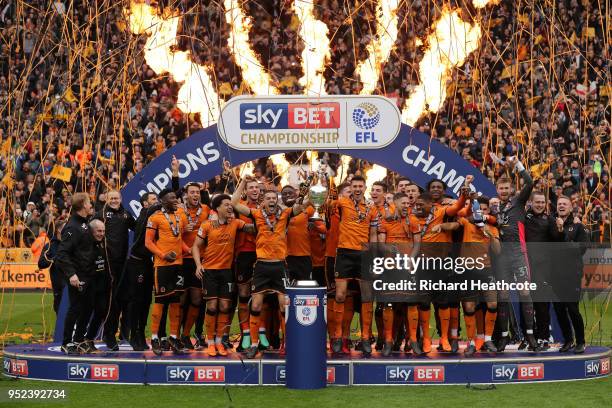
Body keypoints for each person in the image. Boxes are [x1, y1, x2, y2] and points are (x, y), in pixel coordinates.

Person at [231, 176, 308, 359]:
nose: (272, 201)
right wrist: (242, 182)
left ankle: (287, 343)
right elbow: (234, 203)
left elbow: (303, 205)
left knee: (283, 306)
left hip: (280, 265)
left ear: (277, 200)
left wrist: (304, 191)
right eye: (268, 199)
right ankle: (254, 344)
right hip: (262, 266)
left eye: (274, 198)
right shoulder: (256, 214)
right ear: (263, 201)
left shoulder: (286, 214)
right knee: (256, 305)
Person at [192, 194, 255, 356]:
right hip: (210, 272)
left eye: (230, 205)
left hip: (226, 272)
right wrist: (199, 265)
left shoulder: (235, 223)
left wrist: (263, 220)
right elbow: (196, 247)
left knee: (225, 307)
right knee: (212, 307)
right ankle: (211, 342)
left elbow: (252, 229)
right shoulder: (206, 225)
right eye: (226, 204)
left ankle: (220, 342)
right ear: (217, 208)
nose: (229, 207)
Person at [412, 187, 467, 353]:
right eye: (417, 204)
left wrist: (464, 194)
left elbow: (458, 207)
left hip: (441, 264)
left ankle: (444, 337)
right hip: (421, 265)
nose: (418, 207)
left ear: (431, 204)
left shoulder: (441, 211)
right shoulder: (412, 217)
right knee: (423, 302)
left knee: (443, 302)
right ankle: (427, 338)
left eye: (421, 205)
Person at [330, 175, 380, 356]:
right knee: (341, 295)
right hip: (344, 253)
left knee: (366, 296)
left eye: (360, 186)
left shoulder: (372, 208)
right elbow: (326, 207)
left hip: (364, 254)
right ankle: (337, 337)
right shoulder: (342, 203)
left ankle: (366, 338)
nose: (357, 189)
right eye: (354, 186)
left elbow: (373, 234)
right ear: (350, 188)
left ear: (365, 188)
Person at [494, 156, 539, 352]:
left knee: (524, 293)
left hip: (519, 254)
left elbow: (529, 182)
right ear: (497, 190)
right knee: (503, 295)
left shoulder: (518, 201)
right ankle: (504, 337)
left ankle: (530, 335)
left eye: (506, 188)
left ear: (512, 190)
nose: (503, 191)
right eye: (500, 188)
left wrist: (518, 165)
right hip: (502, 257)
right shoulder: (495, 208)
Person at [453, 196, 501, 355]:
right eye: (477, 210)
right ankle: (472, 342)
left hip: (486, 270)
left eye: (484, 210)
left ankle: (488, 339)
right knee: (469, 307)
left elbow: (497, 251)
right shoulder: (466, 223)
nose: (480, 213)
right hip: (467, 271)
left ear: (488, 212)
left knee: (493, 304)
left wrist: (487, 232)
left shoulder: (492, 228)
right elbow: (456, 219)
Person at [145, 188, 189, 355]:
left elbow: (179, 238)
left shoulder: (180, 216)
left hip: (178, 264)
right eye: (172, 198)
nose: (175, 199)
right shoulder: (154, 217)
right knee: (161, 301)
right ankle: (155, 337)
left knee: (176, 300)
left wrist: (188, 250)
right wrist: (164, 255)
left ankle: (173, 336)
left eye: (175, 197)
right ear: (163, 201)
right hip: (162, 265)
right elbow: (148, 242)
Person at [377, 192, 422, 356]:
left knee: (411, 303)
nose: (406, 205)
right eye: (403, 203)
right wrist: (390, 249)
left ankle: (414, 340)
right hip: (390, 267)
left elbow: (417, 244)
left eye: (408, 203)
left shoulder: (413, 220)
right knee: (388, 304)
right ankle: (388, 341)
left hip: (408, 267)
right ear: (395, 203)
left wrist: (410, 260)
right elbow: (380, 245)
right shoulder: (385, 221)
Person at [94, 190, 135, 351]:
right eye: (111, 198)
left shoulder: (126, 214)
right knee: (110, 302)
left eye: (116, 198)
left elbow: (138, 228)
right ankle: (109, 335)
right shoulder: (100, 214)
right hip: (107, 265)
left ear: (121, 199)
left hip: (123, 264)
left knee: (125, 300)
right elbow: (91, 234)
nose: (114, 201)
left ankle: (124, 335)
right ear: (106, 199)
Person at [55, 193, 95, 354]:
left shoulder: (85, 224)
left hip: (88, 274)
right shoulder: (72, 227)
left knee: (88, 308)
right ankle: (66, 342)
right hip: (78, 275)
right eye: (89, 202)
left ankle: (78, 340)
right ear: (83, 205)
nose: (91, 204)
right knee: (76, 308)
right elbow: (62, 253)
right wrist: (72, 274)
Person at [552, 196, 588, 354]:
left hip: (572, 274)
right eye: (559, 204)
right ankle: (568, 340)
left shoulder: (578, 226)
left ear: (571, 207)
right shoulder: (551, 224)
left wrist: (562, 233)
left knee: (572, 308)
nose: (561, 206)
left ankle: (581, 341)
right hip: (555, 274)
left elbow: (581, 248)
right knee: (559, 310)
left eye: (564, 204)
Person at [178, 182, 210, 349]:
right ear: (186, 194)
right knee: (181, 300)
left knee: (197, 299)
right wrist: (183, 230)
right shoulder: (179, 210)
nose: (195, 195)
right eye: (192, 192)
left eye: (197, 192)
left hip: (200, 260)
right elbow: (173, 233)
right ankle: (175, 335)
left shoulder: (206, 210)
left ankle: (186, 335)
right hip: (183, 259)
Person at [525, 191, 557, 349]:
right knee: (526, 303)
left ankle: (544, 337)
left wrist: (560, 229)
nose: (540, 205)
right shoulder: (524, 218)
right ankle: (528, 337)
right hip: (525, 267)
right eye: (537, 202)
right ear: (530, 202)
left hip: (543, 268)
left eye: (542, 203)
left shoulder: (550, 220)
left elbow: (557, 240)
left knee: (542, 303)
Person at [234, 178, 261, 352]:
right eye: (251, 187)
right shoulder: (241, 205)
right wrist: (243, 182)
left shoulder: (267, 206)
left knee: (260, 297)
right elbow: (231, 201)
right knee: (243, 295)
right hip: (243, 253)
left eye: (257, 188)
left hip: (263, 254)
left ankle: (259, 335)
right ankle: (245, 333)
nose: (254, 190)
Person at [83, 219, 110, 353]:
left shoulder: (101, 243)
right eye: (99, 231)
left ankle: (89, 339)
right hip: (89, 285)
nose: (101, 234)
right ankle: (81, 341)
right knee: (86, 313)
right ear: (91, 231)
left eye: (103, 231)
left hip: (101, 285)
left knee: (101, 311)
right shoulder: (86, 245)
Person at [38, 220, 67, 314]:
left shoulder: (71, 243)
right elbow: (41, 263)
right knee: (59, 309)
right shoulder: (50, 246)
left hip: (72, 283)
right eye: (66, 227)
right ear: (59, 230)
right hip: (58, 284)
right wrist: (54, 259)